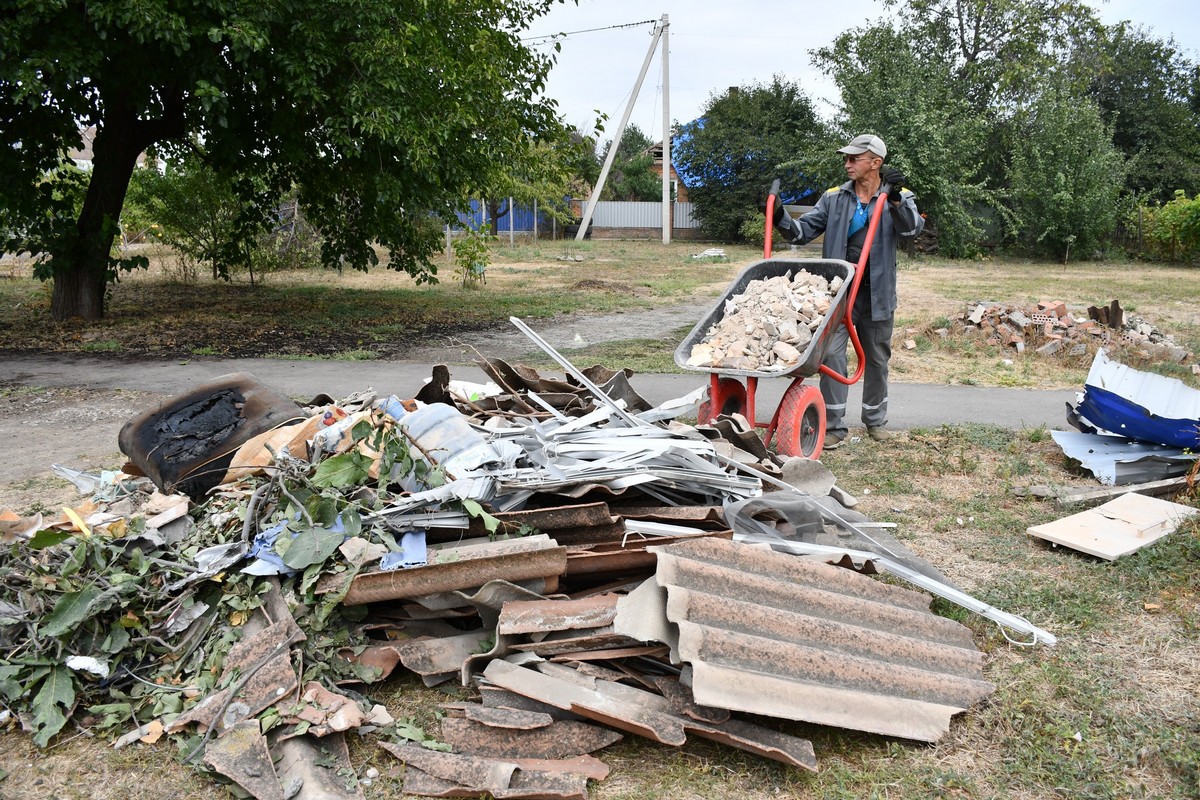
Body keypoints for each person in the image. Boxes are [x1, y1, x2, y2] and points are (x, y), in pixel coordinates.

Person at [769, 134, 924, 449]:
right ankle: (835, 426)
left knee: (877, 358)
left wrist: (894, 201)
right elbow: (800, 233)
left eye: (855, 158)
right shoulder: (834, 198)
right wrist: (777, 213)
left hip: (877, 294)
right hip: (838, 294)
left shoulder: (898, 194)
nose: (847, 163)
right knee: (832, 355)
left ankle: (876, 422)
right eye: (847, 158)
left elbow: (911, 231)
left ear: (876, 163)